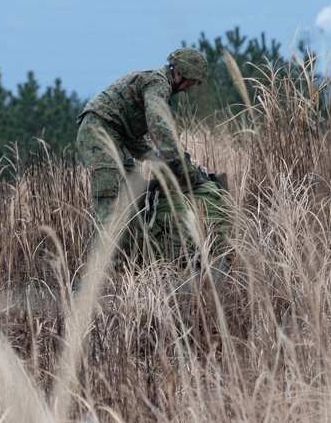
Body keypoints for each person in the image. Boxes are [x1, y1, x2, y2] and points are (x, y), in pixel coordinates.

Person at [78, 48, 226, 265]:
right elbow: (160, 128)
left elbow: (132, 134)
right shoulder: (158, 84)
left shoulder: (157, 86)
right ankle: (99, 274)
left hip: (116, 137)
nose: (186, 90)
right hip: (98, 135)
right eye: (190, 83)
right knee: (111, 204)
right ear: (178, 74)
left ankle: (127, 265)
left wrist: (157, 158)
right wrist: (179, 163)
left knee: (135, 196)